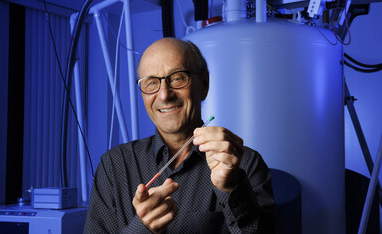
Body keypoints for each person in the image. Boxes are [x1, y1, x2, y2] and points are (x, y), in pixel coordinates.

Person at [84, 38, 278, 233]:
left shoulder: (243, 163)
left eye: (177, 78)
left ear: (204, 84)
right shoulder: (114, 165)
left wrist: (232, 188)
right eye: (151, 83)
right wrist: (141, 229)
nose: (164, 95)